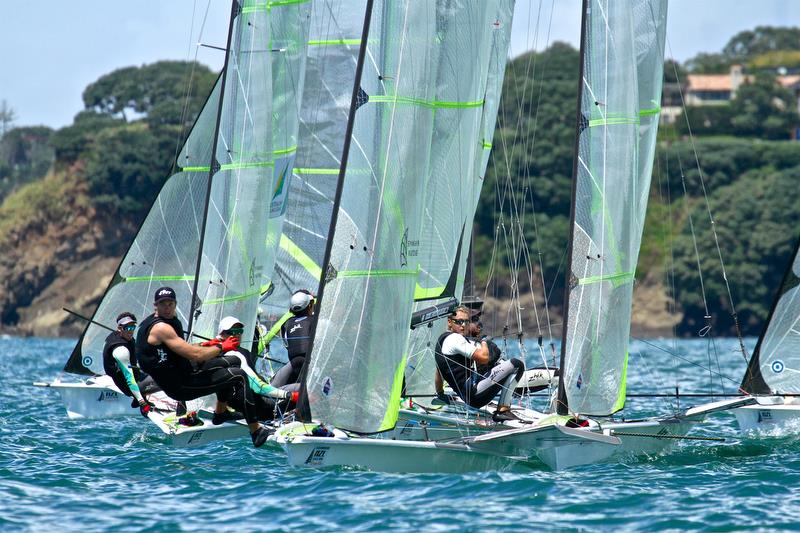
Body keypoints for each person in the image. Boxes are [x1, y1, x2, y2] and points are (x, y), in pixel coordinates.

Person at [136, 287, 272, 447]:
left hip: (185, 371)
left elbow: (183, 348)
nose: (167, 307)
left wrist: (208, 344)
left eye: (170, 303)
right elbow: (196, 355)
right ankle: (256, 431)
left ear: (175, 304)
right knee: (239, 375)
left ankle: (220, 413)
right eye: (162, 304)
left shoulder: (170, 321)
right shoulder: (161, 328)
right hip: (181, 385)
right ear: (155, 306)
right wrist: (223, 347)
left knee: (234, 360)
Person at [434, 305, 524, 422]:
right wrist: (484, 341)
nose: (463, 325)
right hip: (475, 394)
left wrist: (440, 394)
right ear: (450, 322)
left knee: (498, 366)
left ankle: (508, 394)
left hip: (468, 395)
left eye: (466, 322)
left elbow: (438, 372)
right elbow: (484, 357)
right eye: (459, 322)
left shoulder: (441, 340)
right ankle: (503, 410)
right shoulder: (455, 339)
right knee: (516, 364)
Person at [203, 315, 298, 405]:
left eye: (240, 331)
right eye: (232, 332)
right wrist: (289, 395)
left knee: (298, 361)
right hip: (262, 399)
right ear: (221, 334)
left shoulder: (243, 352)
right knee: (303, 389)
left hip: (266, 389)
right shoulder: (233, 355)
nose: (237, 335)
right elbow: (258, 387)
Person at [101, 312, 157, 417]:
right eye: (128, 328)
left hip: (135, 376)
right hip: (132, 384)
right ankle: (181, 408)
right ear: (120, 328)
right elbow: (129, 379)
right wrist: (142, 403)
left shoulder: (117, 336)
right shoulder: (121, 350)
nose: (131, 331)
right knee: (170, 378)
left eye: (133, 327)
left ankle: (139, 397)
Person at [270, 289, 315, 388]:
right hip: (310, 364)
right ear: (309, 306)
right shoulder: (315, 320)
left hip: (294, 363)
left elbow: (287, 345)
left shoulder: (285, 325)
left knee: (274, 387)